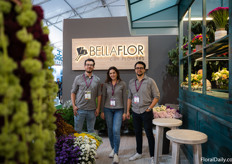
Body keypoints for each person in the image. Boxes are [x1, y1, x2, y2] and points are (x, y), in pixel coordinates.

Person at [126, 61, 160, 164]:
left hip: (146, 111)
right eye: (137, 68)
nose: (139, 69)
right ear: (135, 69)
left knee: (149, 133)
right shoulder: (131, 82)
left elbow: (157, 96)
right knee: (137, 133)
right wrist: (128, 111)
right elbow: (129, 97)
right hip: (135, 111)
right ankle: (139, 152)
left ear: (144, 69)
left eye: (141, 68)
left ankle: (153, 156)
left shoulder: (150, 81)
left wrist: (149, 108)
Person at [100, 66, 127, 164]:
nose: (112, 75)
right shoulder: (106, 84)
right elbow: (103, 98)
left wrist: (125, 112)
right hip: (108, 109)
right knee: (110, 130)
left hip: (119, 110)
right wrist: (102, 111)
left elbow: (125, 98)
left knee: (116, 130)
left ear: (117, 73)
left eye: (114, 73)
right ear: (109, 74)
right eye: (110, 73)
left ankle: (116, 153)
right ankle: (113, 148)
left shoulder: (122, 84)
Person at [71, 58, 101, 133]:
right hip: (79, 109)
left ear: (94, 67)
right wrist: (74, 106)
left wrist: (98, 108)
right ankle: (78, 145)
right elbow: (73, 92)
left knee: (91, 131)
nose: (89, 66)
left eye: (91, 65)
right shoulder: (78, 78)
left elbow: (99, 95)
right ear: (84, 66)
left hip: (92, 110)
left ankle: (90, 145)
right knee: (77, 131)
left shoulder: (97, 80)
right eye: (87, 65)